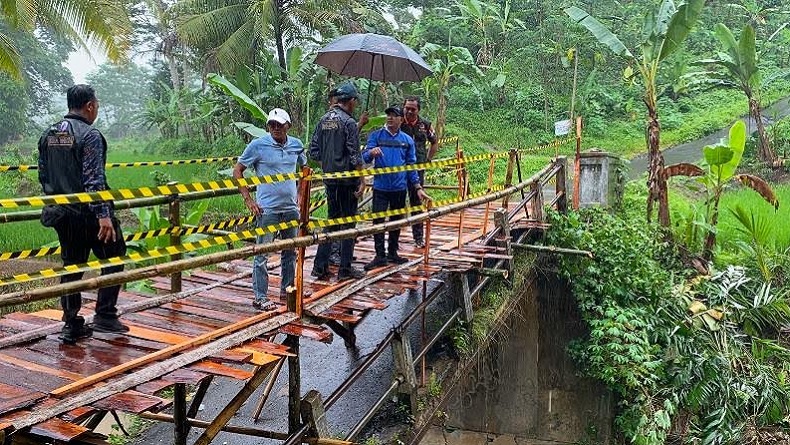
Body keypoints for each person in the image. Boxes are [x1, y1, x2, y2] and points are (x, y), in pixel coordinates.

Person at [37, 84, 129, 344]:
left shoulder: (49, 134)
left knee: (72, 266)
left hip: (62, 214)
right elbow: (93, 178)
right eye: (96, 105)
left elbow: (43, 175)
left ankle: (71, 323)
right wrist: (103, 214)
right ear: (89, 106)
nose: (96, 109)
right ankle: (105, 315)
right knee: (114, 255)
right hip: (89, 214)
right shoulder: (89, 135)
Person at [234, 108, 306, 311]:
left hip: (291, 208)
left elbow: (306, 169)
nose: (275, 128)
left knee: (290, 251)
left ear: (287, 126)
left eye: (279, 124)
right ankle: (260, 296)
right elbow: (238, 170)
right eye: (271, 124)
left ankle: (287, 288)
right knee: (262, 253)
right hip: (267, 209)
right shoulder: (257, 145)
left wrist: (300, 194)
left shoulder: (296, 145)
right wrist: (248, 199)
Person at [309, 81, 366, 281]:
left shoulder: (324, 120)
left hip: (330, 179)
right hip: (347, 181)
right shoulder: (349, 123)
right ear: (350, 101)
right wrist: (362, 178)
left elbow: (313, 151)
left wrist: (329, 162)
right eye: (355, 102)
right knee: (349, 223)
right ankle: (345, 269)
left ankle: (320, 266)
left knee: (332, 222)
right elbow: (354, 154)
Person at [362, 106, 430, 270]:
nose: (390, 118)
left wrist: (417, 187)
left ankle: (393, 252)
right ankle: (379, 255)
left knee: (396, 221)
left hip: (399, 188)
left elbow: (410, 165)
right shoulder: (376, 136)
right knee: (378, 221)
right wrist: (371, 153)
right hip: (380, 188)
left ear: (401, 119)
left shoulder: (407, 140)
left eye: (394, 116)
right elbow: (363, 156)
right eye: (388, 115)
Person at [400, 96, 438, 248]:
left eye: (413, 109)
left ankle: (418, 238)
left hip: (418, 168)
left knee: (417, 201)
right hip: (399, 169)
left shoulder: (425, 125)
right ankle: (393, 240)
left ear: (418, 110)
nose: (409, 111)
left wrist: (427, 159)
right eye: (407, 108)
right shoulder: (398, 122)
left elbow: (434, 142)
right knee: (397, 201)